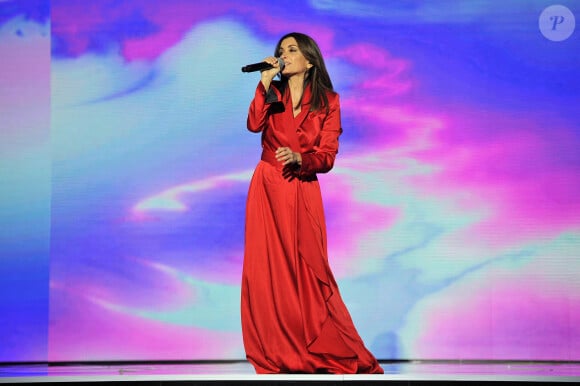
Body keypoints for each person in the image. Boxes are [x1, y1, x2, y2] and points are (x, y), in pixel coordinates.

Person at [241, 32, 383, 374]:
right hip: (268, 186)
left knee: (307, 269)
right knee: (268, 271)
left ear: (309, 59)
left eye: (292, 50)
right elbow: (253, 125)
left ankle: (322, 347)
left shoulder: (329, 101)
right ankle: (278, 350)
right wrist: (263, 83)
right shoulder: (271, 93)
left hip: (301, 186)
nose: (283, 55)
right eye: (281, 51)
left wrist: (301, 158)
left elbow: (328, 156)